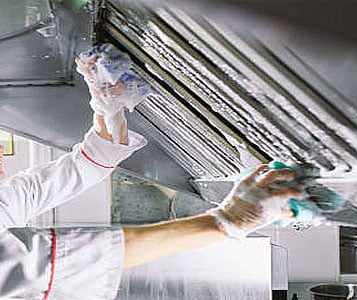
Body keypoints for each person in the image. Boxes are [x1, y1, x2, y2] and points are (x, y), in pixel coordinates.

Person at [0, 45, 300, 299]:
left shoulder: (5, 199)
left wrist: (108, 109)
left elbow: (88, 163)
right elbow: (49, 263)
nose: (1, 153)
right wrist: (228, 221)